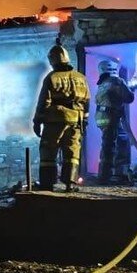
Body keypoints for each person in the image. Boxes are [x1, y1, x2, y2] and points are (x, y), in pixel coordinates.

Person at [33, 43, 90, 192]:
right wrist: (84, 120)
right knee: (72, 152)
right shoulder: (81, 78)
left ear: (52, 60)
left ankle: (47, 183)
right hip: (76, 120)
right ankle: (70, 184)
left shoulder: (51, 77)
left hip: (55, 119)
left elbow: (44, 101)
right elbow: (87, 101)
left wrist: (37, 121)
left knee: (48, 150)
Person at [95, 58, 137, 184]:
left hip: (101, 117)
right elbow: (129, 98)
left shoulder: (102, 83)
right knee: (120, 143)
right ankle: (116, 175)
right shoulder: (117, 80)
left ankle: (105, 174)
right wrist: (132, 87)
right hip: (111, 116)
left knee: (108, 144)